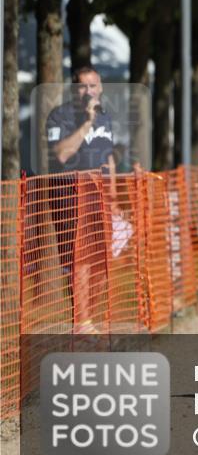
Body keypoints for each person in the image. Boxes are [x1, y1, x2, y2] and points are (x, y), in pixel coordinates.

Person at [45, 66, 118, 334]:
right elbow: (61, 154)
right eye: (82, 87)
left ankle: (87, 320)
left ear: (101, 88)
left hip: (100, 198)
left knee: (100, 263)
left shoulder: (105, 117)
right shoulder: (59, 116)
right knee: (80, 261)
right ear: (73, 89)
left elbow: (108, 159)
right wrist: (86, 123)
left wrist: (114, 198)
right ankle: (82, 323)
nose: (88, 91)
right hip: (71, 196)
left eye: (93, 86)